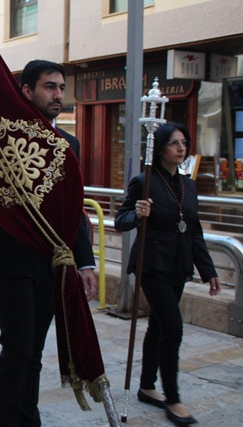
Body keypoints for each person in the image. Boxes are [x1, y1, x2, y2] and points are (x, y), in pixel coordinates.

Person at [0, 59, 97, 426]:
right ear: (27, 91)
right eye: (49, 87)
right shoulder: (2, 138)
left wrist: (85, 263)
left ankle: (27, 417)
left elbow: (72, 211)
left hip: (52, 263)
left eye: (61, 87)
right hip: (11, 260)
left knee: (35, 349)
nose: (58, 94)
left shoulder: (68, 143)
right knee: (18, 346)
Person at [115, 123, 221, 426]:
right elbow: (121, 221)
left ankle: (147, 387)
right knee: (173, 328)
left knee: (159, 328)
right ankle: (172, 399)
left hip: (179, 264)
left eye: (184, 143)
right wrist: (137, 214)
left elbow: (194, 230)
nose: (181, 148)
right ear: (160, 147)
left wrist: (208, 270)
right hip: (152, 264)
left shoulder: (188, 185)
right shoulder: (144, 181)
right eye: (174, 143)